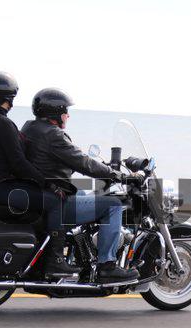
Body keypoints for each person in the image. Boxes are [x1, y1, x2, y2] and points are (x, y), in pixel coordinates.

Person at [21, 88, 139, 283]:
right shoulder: (53, 135)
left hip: (40, 195)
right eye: (65, 111)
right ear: (55, 113)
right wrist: (115, 174)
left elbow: (62, 161)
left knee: (84, 193)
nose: (67, 115)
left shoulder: (30, 129)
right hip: (54, 200)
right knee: (113, 205)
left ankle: (82, 255)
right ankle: (107, 266)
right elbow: (83, 162)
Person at [0, 73, 80, 276]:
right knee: (56, 200)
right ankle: (55, 260)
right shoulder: (2, 123)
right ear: (10, 98)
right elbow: (19, 164)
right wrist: (49, 184)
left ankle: (40, 255)